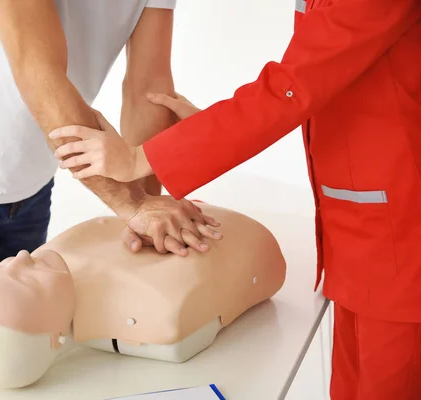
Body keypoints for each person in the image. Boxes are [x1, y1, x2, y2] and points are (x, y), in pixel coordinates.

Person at [50, 1, 421, 398]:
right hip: (364, 239)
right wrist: (207, 133)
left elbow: (290, 90)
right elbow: (336, 85)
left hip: (399, 241)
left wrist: (142, 158)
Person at [0, 0, 221, 333]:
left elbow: (147, 88)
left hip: (30, 177)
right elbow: (38, 68)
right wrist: (133, 205)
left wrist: (149, 214)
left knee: (23, 331)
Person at [0, 201, 286, 388]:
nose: (24, 256)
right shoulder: (159, 307)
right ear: (55, 338)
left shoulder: (57, 258)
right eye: (27, 279)